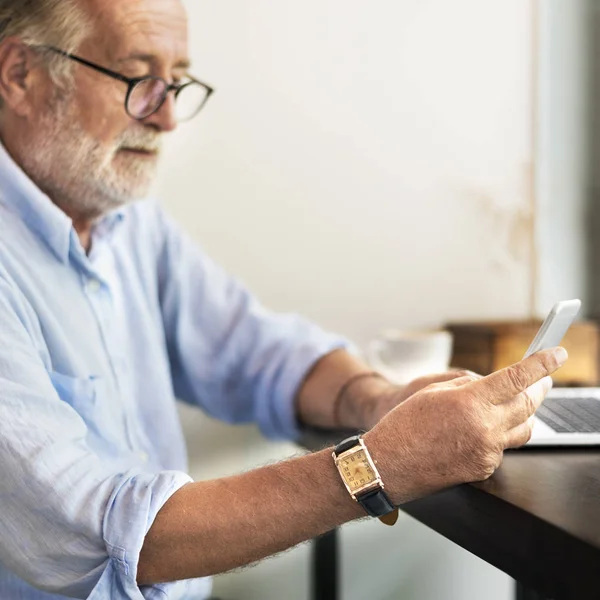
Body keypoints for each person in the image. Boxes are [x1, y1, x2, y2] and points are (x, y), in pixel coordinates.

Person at [0, 0, 566, 598]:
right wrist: (383, 463)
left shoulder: (126, 220)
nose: (166, 118)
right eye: (139, 78)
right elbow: (111, 536)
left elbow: (256, 351)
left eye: (175, 82)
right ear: (20, 75)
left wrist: (377, 400)